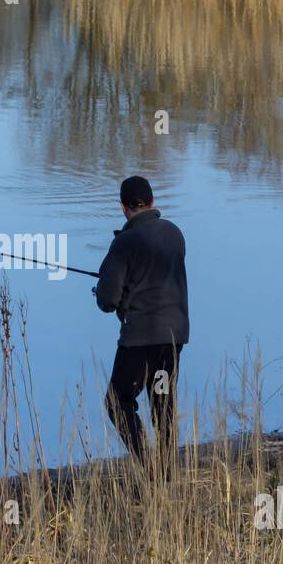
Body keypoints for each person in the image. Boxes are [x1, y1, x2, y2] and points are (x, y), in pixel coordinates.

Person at [93, 176, 189, 463]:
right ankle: (166, 473)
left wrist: (110, 292)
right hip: (175, 335)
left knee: (118, 402)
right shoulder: (175, 233)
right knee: (163, 403)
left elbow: (107, 300)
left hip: (140, 339)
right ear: (152, 202)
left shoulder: (124, 243)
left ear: (123, 208)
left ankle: (146, 464)